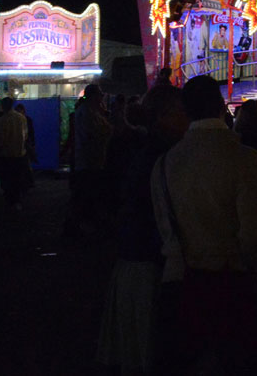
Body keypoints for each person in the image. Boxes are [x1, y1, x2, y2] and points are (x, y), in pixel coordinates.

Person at [151, 75, 257, 375]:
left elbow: (165, 228)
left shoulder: (165, 163)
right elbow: (252, 234)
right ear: (221, 107)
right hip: (231, 283)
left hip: (182, 284)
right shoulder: (246, 159)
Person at [97, 84, 189, 374]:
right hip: (151, 262)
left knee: (137, 350)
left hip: (133, 258)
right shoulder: (163, 154)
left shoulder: (139, 147)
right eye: (180, 113)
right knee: (152, 348)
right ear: (164, 115)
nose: (186, 120)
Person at [65, 84, 113, 239]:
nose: (101, 97)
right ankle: (82, 227)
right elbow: (92, 135)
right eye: (99, 94)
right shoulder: (87, 112)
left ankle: (82, 226)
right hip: (89, 161)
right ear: (93, 96)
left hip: (92, 160)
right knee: (86, 195)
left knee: (86, 195)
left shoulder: (90, 111)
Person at [0, 97, 29, 207]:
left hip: (7, 154)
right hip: (20, 153)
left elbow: (2, 139)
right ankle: (17, 200)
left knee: (7, 179)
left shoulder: (3, 119)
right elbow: (26, 135)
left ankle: (10, 200)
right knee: (17, 178)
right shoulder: (21, 118)